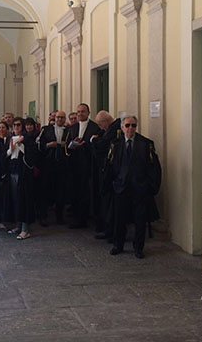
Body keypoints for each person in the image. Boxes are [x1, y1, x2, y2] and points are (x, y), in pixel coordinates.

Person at [106, 115, 161, 259]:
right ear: (122, 127)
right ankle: (118, 244)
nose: (131, 128)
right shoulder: (115, 144)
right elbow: (110, 166)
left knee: (140, 219)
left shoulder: (145, 144)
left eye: (133, 125)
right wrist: (113, 183)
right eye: (128, 125)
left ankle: (138, 247)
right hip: (121, 187)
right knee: (119, 218)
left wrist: (149, 186)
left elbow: (153, 168)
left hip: (139, 188)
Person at [67, 103, 100, 229]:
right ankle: (78, 218)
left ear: (88, 112)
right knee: (76, 191)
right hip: (75, 164)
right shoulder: (73, 127)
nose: (80, 114)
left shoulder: (95, 128)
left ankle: (91, 218)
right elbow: (68, 145)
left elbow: (96, 145)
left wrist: (85, 145)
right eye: (78, 112)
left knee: (89, 192)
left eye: (83, 111)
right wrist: (73, 145)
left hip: (88, 164)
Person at [4, 117, 37, 239]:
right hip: (12, 170)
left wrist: (21, 145)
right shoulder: (9, 139)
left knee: (24, 199)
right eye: (14, 125)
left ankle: (25, 229)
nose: (16, 127)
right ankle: (17, 224)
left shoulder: (28, 139)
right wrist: (10, 150)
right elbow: (5, 155)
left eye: (18, 125)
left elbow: (32, 156)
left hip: (23, 172)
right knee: (14, 199)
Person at [91, 111, 121, 240]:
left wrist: (95, 140)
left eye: (99, 124)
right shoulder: (110, 129)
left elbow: (104, 146)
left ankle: (111, 231)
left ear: (105, 122)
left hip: (111, 172)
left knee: (110, 203)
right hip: (108, 171)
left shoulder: (114, 130)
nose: (99, 127)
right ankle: (109, 229)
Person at [38, 110, 70, 225]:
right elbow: (39, 145)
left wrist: (65, 145)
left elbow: (70, 145)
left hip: (62, 165)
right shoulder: (46, 129)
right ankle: (43, 216)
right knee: (45, 191)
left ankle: (60, 217)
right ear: (54, 118)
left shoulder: (69, 131)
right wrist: (48, 145)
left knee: (60, 192)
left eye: (62, 117)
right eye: (58, 117)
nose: (60, 119)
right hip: (48, 164)